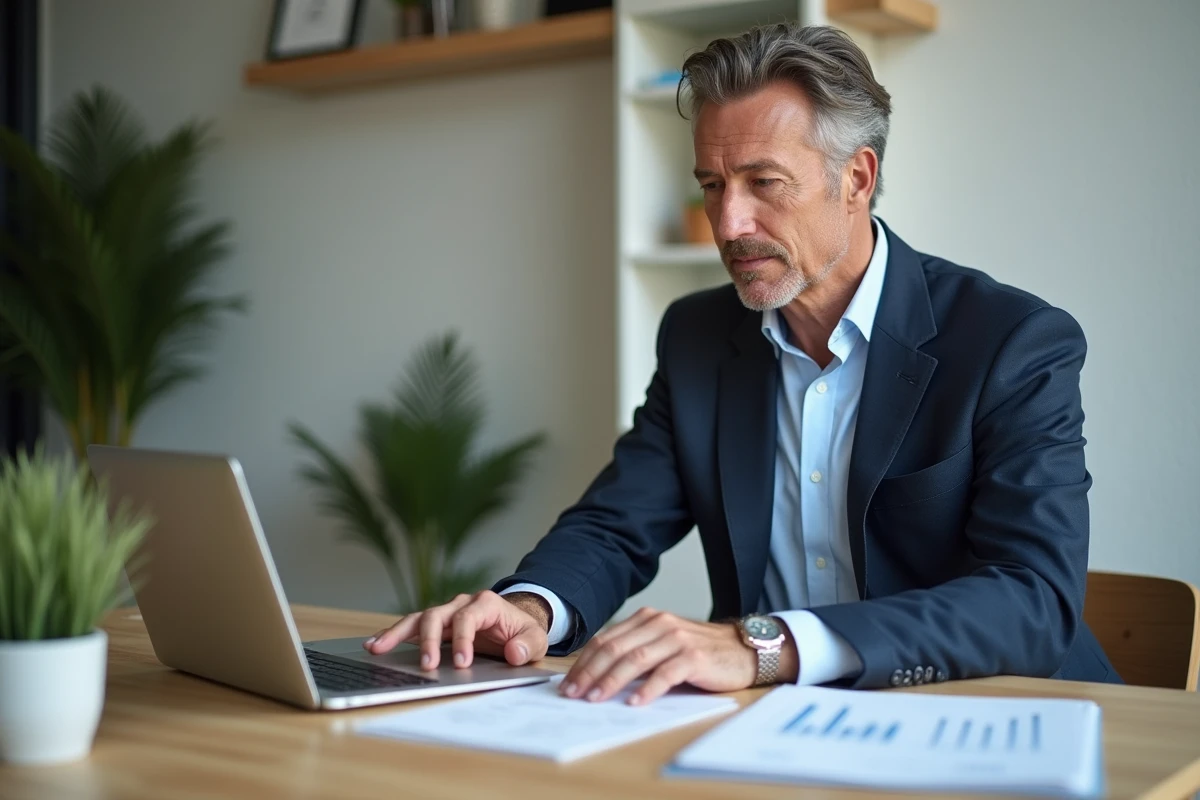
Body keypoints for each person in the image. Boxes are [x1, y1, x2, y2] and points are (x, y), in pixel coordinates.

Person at [365, 22, 1120, 704]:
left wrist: (763, 646)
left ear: (855, 179)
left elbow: (1032, 598)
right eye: (712, 185)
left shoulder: (1011, 340)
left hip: (995, 719)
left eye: (765, 183)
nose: (728, 224)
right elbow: (616, 524)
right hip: (777, 727)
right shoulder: (698, 337)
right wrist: (531, 608)